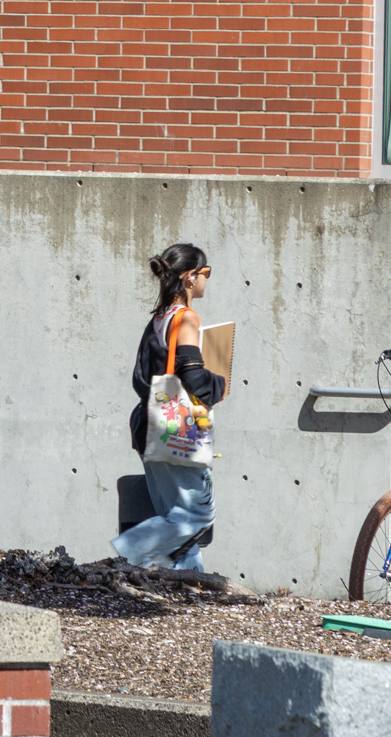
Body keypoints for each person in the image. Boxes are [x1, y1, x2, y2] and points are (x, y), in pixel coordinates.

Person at [111, 242, 224, 573]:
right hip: (179, 430)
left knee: (174, 516)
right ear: (190, 278)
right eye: (206, 273)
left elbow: (142, 376)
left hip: (152, 425)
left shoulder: (158, 319)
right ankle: (125, 558)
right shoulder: (186, 318)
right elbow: (193, 375)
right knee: (195, 515)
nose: (207, 280)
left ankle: (191, 584)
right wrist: (219, 384)